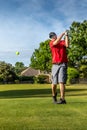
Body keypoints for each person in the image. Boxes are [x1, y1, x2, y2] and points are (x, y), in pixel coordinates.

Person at [49, 31, 69, 104]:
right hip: (55, 65)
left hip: (63, 64)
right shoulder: (51, 43)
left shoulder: (62, 42)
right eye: (51, 36)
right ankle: (54, 95)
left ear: (55, 35)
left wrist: (66, 35)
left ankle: (62, 99)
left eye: (53, 35)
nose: (53, 37)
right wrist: (63, 33)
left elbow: (67, 45)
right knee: (54, 83)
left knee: (61, 82)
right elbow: (55, 42)